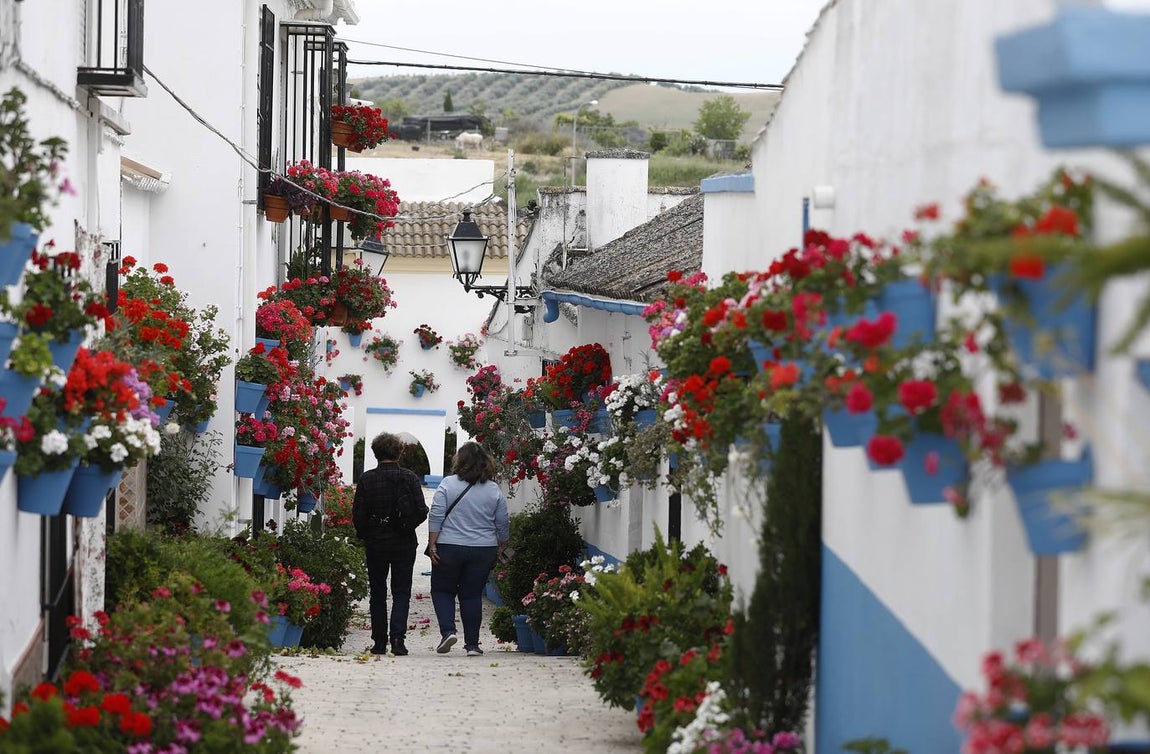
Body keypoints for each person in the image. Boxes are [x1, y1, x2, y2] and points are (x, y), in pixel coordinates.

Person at [427, 441, 509, 656]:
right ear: (485, 463)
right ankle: (472, 645)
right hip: (483, 549)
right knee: (471, 595)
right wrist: (503, 542)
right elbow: (502, 521)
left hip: (449, 546)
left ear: (459, 461)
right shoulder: (493, 490)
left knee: (442, 590)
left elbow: (436, 514)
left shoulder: (447, 484)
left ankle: (448, 632)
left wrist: (432, 543)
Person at [352, 432, 426, 656]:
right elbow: (422, 511)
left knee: (377, 591)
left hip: (377, 543)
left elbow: (358, 514)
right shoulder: (410, 478)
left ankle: (379, 641)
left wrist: (367, 534)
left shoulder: (367, 479)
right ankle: (398, 639)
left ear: (375, 453)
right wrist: (406, 526)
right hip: (403, 542)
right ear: (399, 452)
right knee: (401, 591)